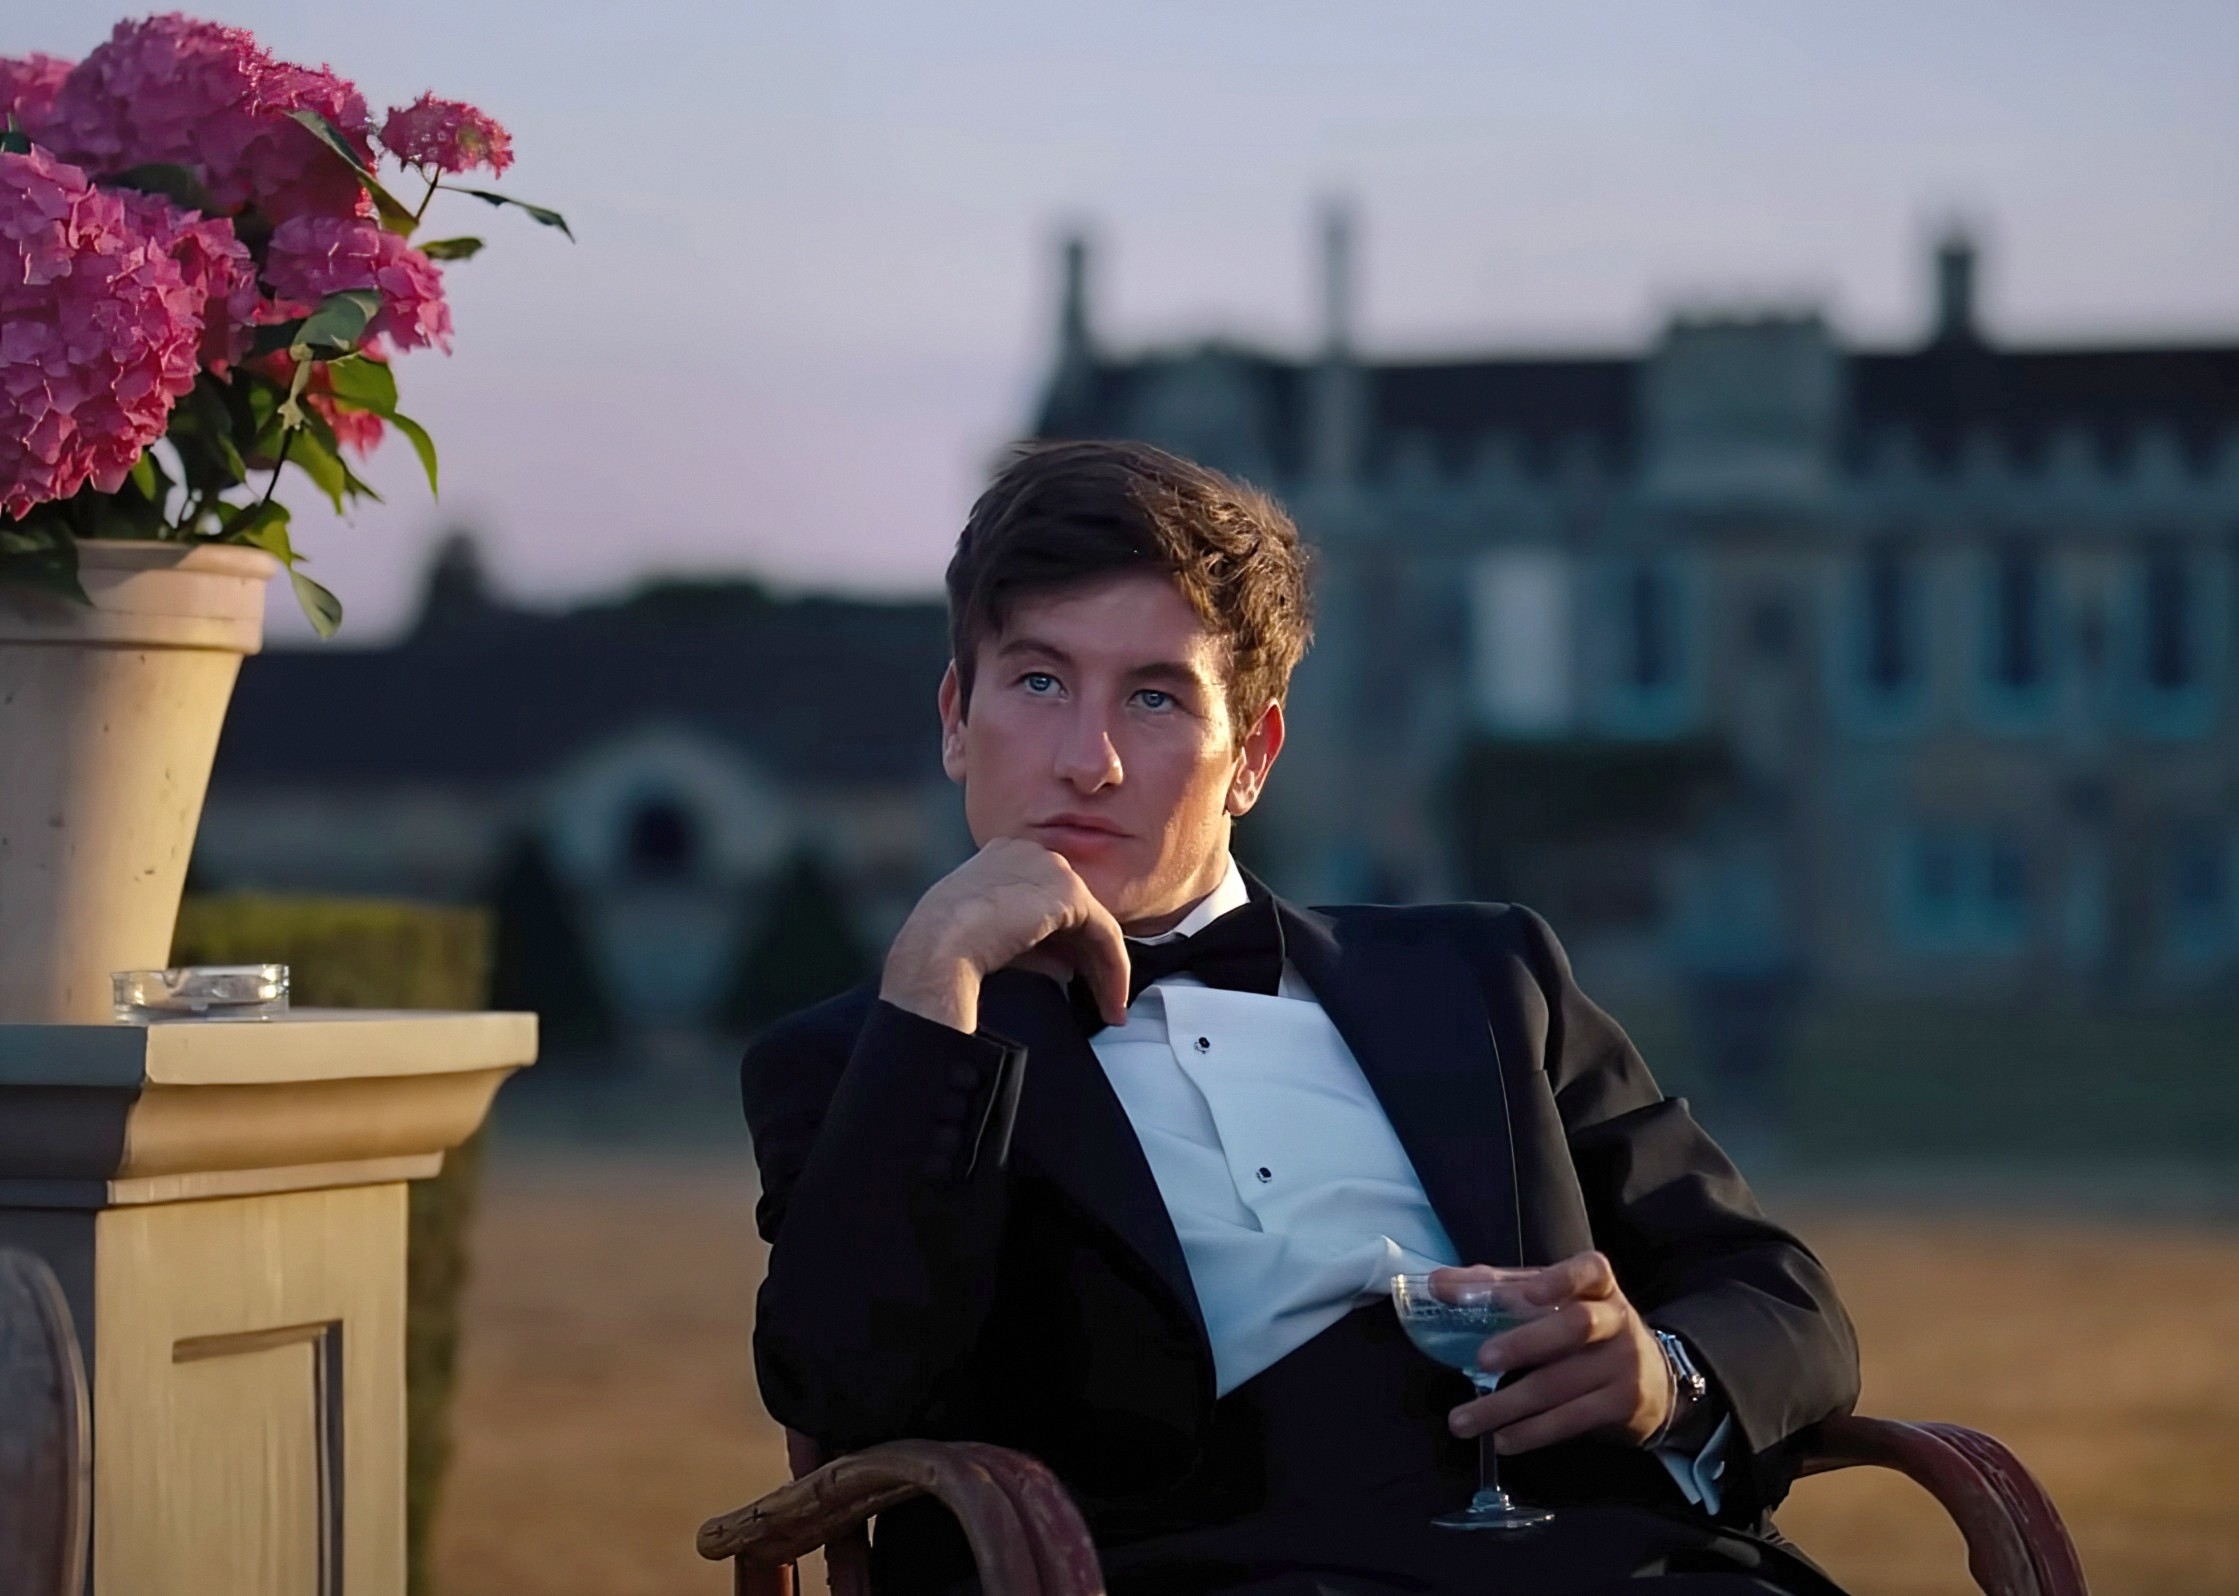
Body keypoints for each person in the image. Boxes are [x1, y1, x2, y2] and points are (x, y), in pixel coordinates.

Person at [741, 440, 1858, 1596]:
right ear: (955, 721)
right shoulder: (858, 1056)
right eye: (1037, 684)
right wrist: (929, 984)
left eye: (1157, 697)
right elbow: (844, 1387)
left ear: (1253, 757)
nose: (1089, 761)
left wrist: (1661, 1375)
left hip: (1606, 1561)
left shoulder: (1483, 976)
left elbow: (1778, 1296)